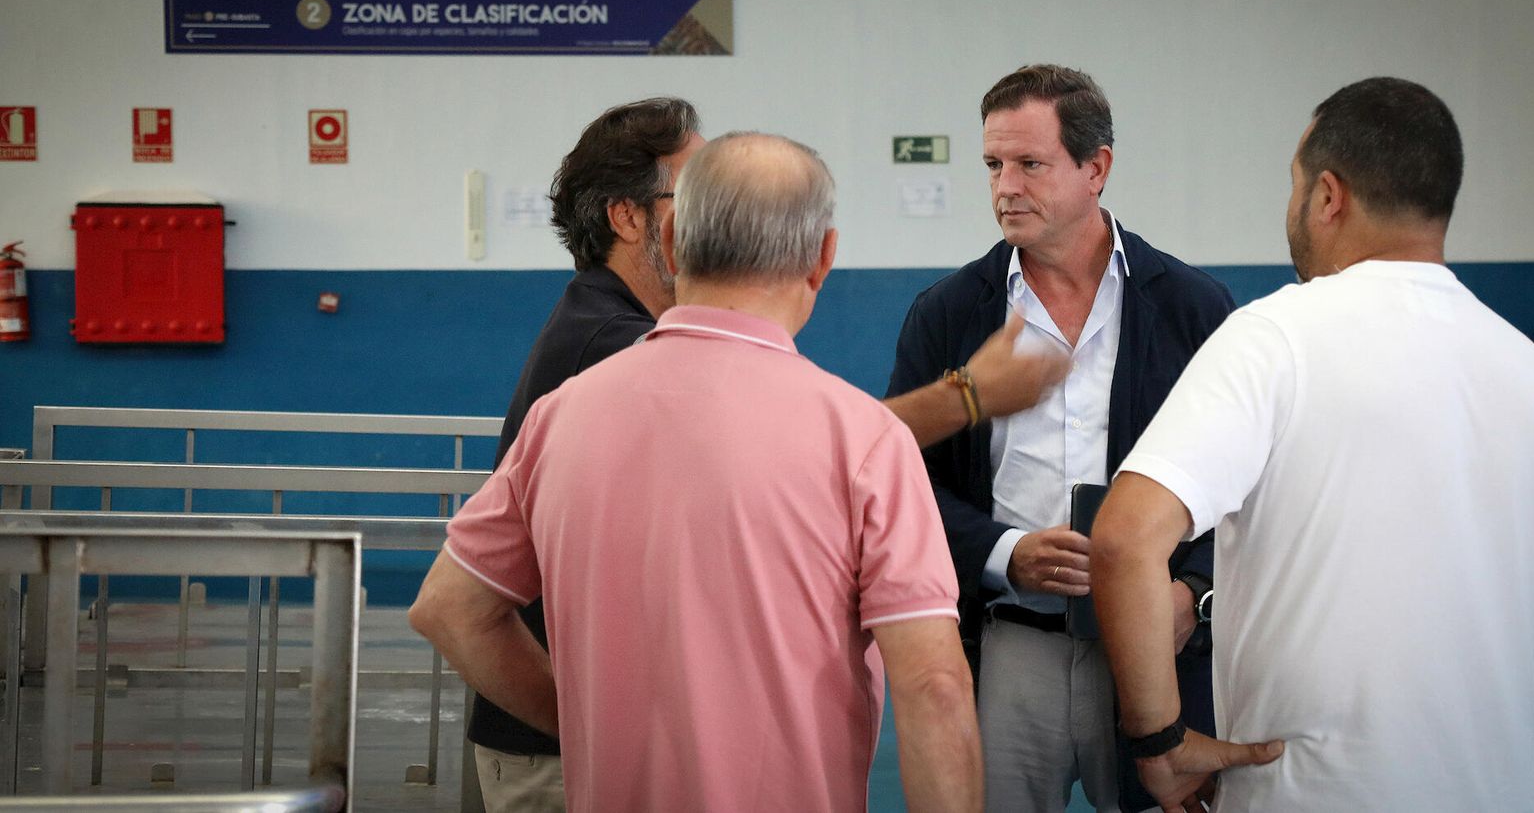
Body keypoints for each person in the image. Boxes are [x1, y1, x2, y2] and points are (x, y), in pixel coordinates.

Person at [411, 132, 984, 812]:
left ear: (675, 238)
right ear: (824, 256)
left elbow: (449, 607)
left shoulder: (561, 416)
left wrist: (583, 726)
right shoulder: (865, 438)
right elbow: (933, 684)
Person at [1092, 76, 1534, 813]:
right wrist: (1505, 765)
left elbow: (1124, 539)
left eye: (1295, 185)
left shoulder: (1274, 340)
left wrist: (1160, 744)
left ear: (1328, 196)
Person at [887, 64, 1235, 812]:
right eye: (992, 164)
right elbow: (901, 483)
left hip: (1154, 645)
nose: (1005, 186)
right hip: (1011, 644)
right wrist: (1005, 553)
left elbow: (1242, 484)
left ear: (1096, 168)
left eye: (1029, 163)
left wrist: (1194, 591)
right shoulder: (948, 314)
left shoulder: (1193, 309)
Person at [466, 96, 704, 812]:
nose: (718, 217)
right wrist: (966, 397)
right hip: (562, 757)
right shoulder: (616, 343)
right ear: (627, 217)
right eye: (695, 195)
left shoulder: (603, 321)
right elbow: (793, 441)